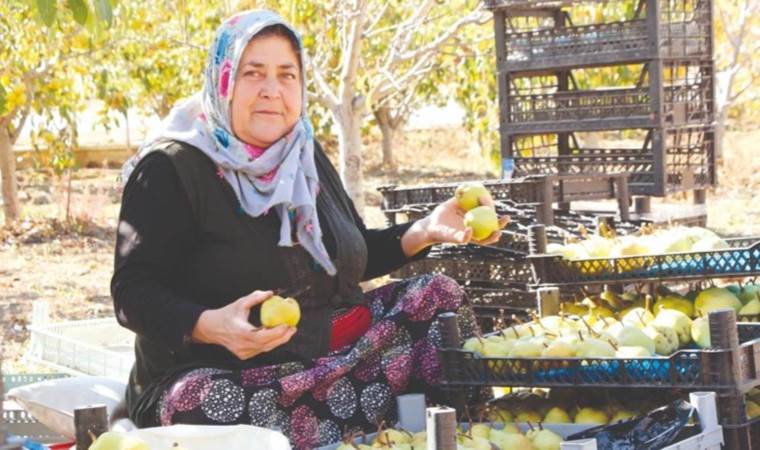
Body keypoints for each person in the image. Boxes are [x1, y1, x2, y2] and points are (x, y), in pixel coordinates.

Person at [112, 9, 506, 449]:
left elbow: (347, 257)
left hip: (330, 357)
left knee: (437, 298)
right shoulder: (171, 168)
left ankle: (461, 435)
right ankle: (375, 425)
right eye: (253, 73)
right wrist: (211, 326)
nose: (272, 91)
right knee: (203, 403)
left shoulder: (302, 153)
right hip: (229, 371)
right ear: (223, 80)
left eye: (287, 75)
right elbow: (132, 292)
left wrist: (427, 229)